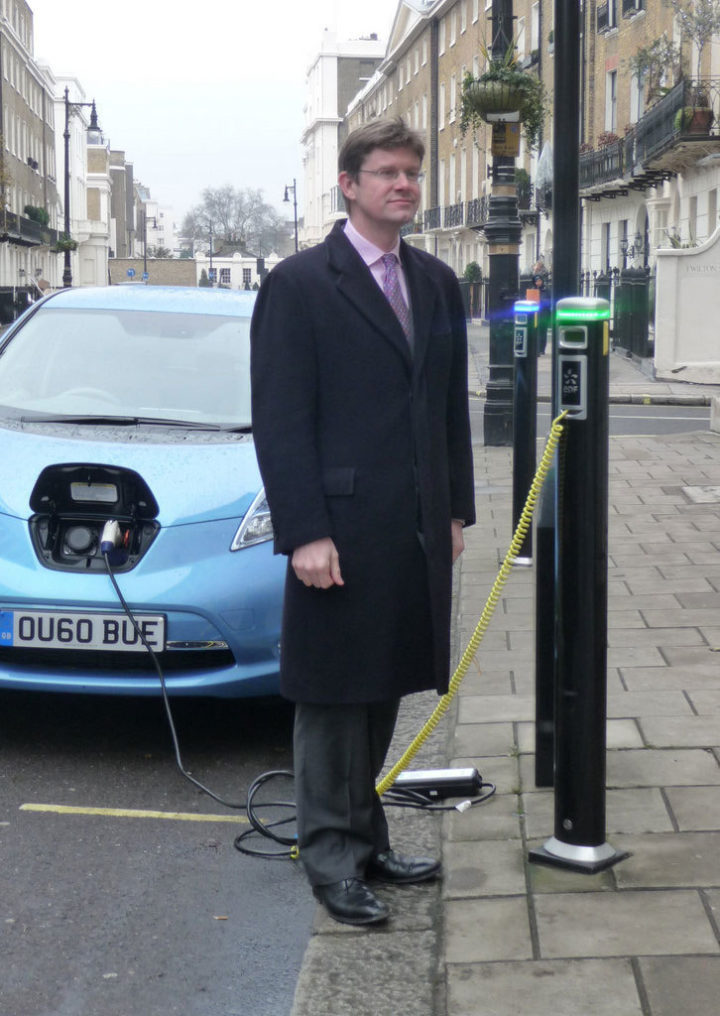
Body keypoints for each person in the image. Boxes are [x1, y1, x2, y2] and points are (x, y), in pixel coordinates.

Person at [250, 118, 475, 927]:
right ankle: (330, 858)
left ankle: (367, 837)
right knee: (332, 698)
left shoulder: (439, 282)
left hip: (410, 525)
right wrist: (304, 531)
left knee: (383, 686)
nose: (404, 185)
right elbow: (280, 419)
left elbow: (448, 406)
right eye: (386, 172)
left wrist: (454, 510)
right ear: (349, 184)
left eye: (412, 172)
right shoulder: (302, 283)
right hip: (336, 528)